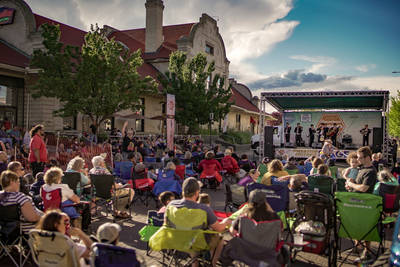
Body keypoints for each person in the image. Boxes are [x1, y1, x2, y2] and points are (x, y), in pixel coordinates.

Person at [166, 177, 231, 267]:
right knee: (219, 238)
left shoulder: (171, 205)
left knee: (191, 233)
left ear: (183, 190)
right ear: (197, 192)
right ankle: (212, 264)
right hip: (195, 242)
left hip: (176, 240)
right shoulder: (203, 208)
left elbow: (166, 224)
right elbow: (219, 228)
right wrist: (227, 222)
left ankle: (195, 262)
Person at [220, 189, 281, 266]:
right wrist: (269, 208)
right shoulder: (275, 218)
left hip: (246, 252)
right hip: (267, 253)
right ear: (265, 201)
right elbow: (279, 233)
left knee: (231, 243)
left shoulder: (243, 217)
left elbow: (233, 231)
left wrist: (232, 227)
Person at [345, 146, 377, 262]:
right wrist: (350, 185)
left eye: (360, 158)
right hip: (356, 201)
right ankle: (357, 246)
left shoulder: (371, 171)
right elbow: (357, 184)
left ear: (368, 158)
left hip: (364, 203)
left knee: (364, 228)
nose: (358, 160)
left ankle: (367, 252)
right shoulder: (362, 169)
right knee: (355, 226)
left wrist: (351, 184)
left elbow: (364, 188)